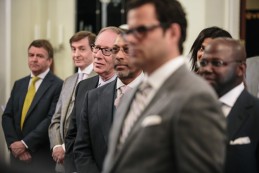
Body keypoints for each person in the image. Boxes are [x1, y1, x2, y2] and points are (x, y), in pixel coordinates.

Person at [102, 1, 226, 173]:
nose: (131, 39)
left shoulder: (195, 96)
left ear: (172, 33)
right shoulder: (133, 92)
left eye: (141, 30)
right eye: (130, 31)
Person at [73, 33, 144, 173]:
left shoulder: (159, 96)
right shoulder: (92, 97)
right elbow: (82, 149)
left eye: (127, 50)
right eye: (115, 50)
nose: (119, 56)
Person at [64, 26, 121, 173]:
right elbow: (72, 135)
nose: (97, 55)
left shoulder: (126, 89)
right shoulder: (84, 86)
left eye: (107, 50)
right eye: (96, 48)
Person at [198, 38, 259, 173]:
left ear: (240, 69)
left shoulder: (256, 112)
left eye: (216, 63)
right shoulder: (191, 110)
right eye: (203, 63)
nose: (207, 69)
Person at [2, 39, 63, 173]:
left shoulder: (58, 85)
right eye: (31, 55)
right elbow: (7, 116)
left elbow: (50, 119)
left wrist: (25, 144)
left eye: (39, 56)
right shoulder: (19, 84)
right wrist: (14, 145)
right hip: (15, 156)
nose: (34, 59)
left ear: (49, 61)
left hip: (40, 156)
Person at [48, 31, 97, 173]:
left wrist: (66, 147)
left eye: (82, 49)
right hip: (62, 161)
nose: (76, 54)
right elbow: (56, 119)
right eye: (73, 49)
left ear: (94, 50)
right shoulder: (68, 81)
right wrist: (57, 146)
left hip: (85, 159)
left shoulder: (100, 78)